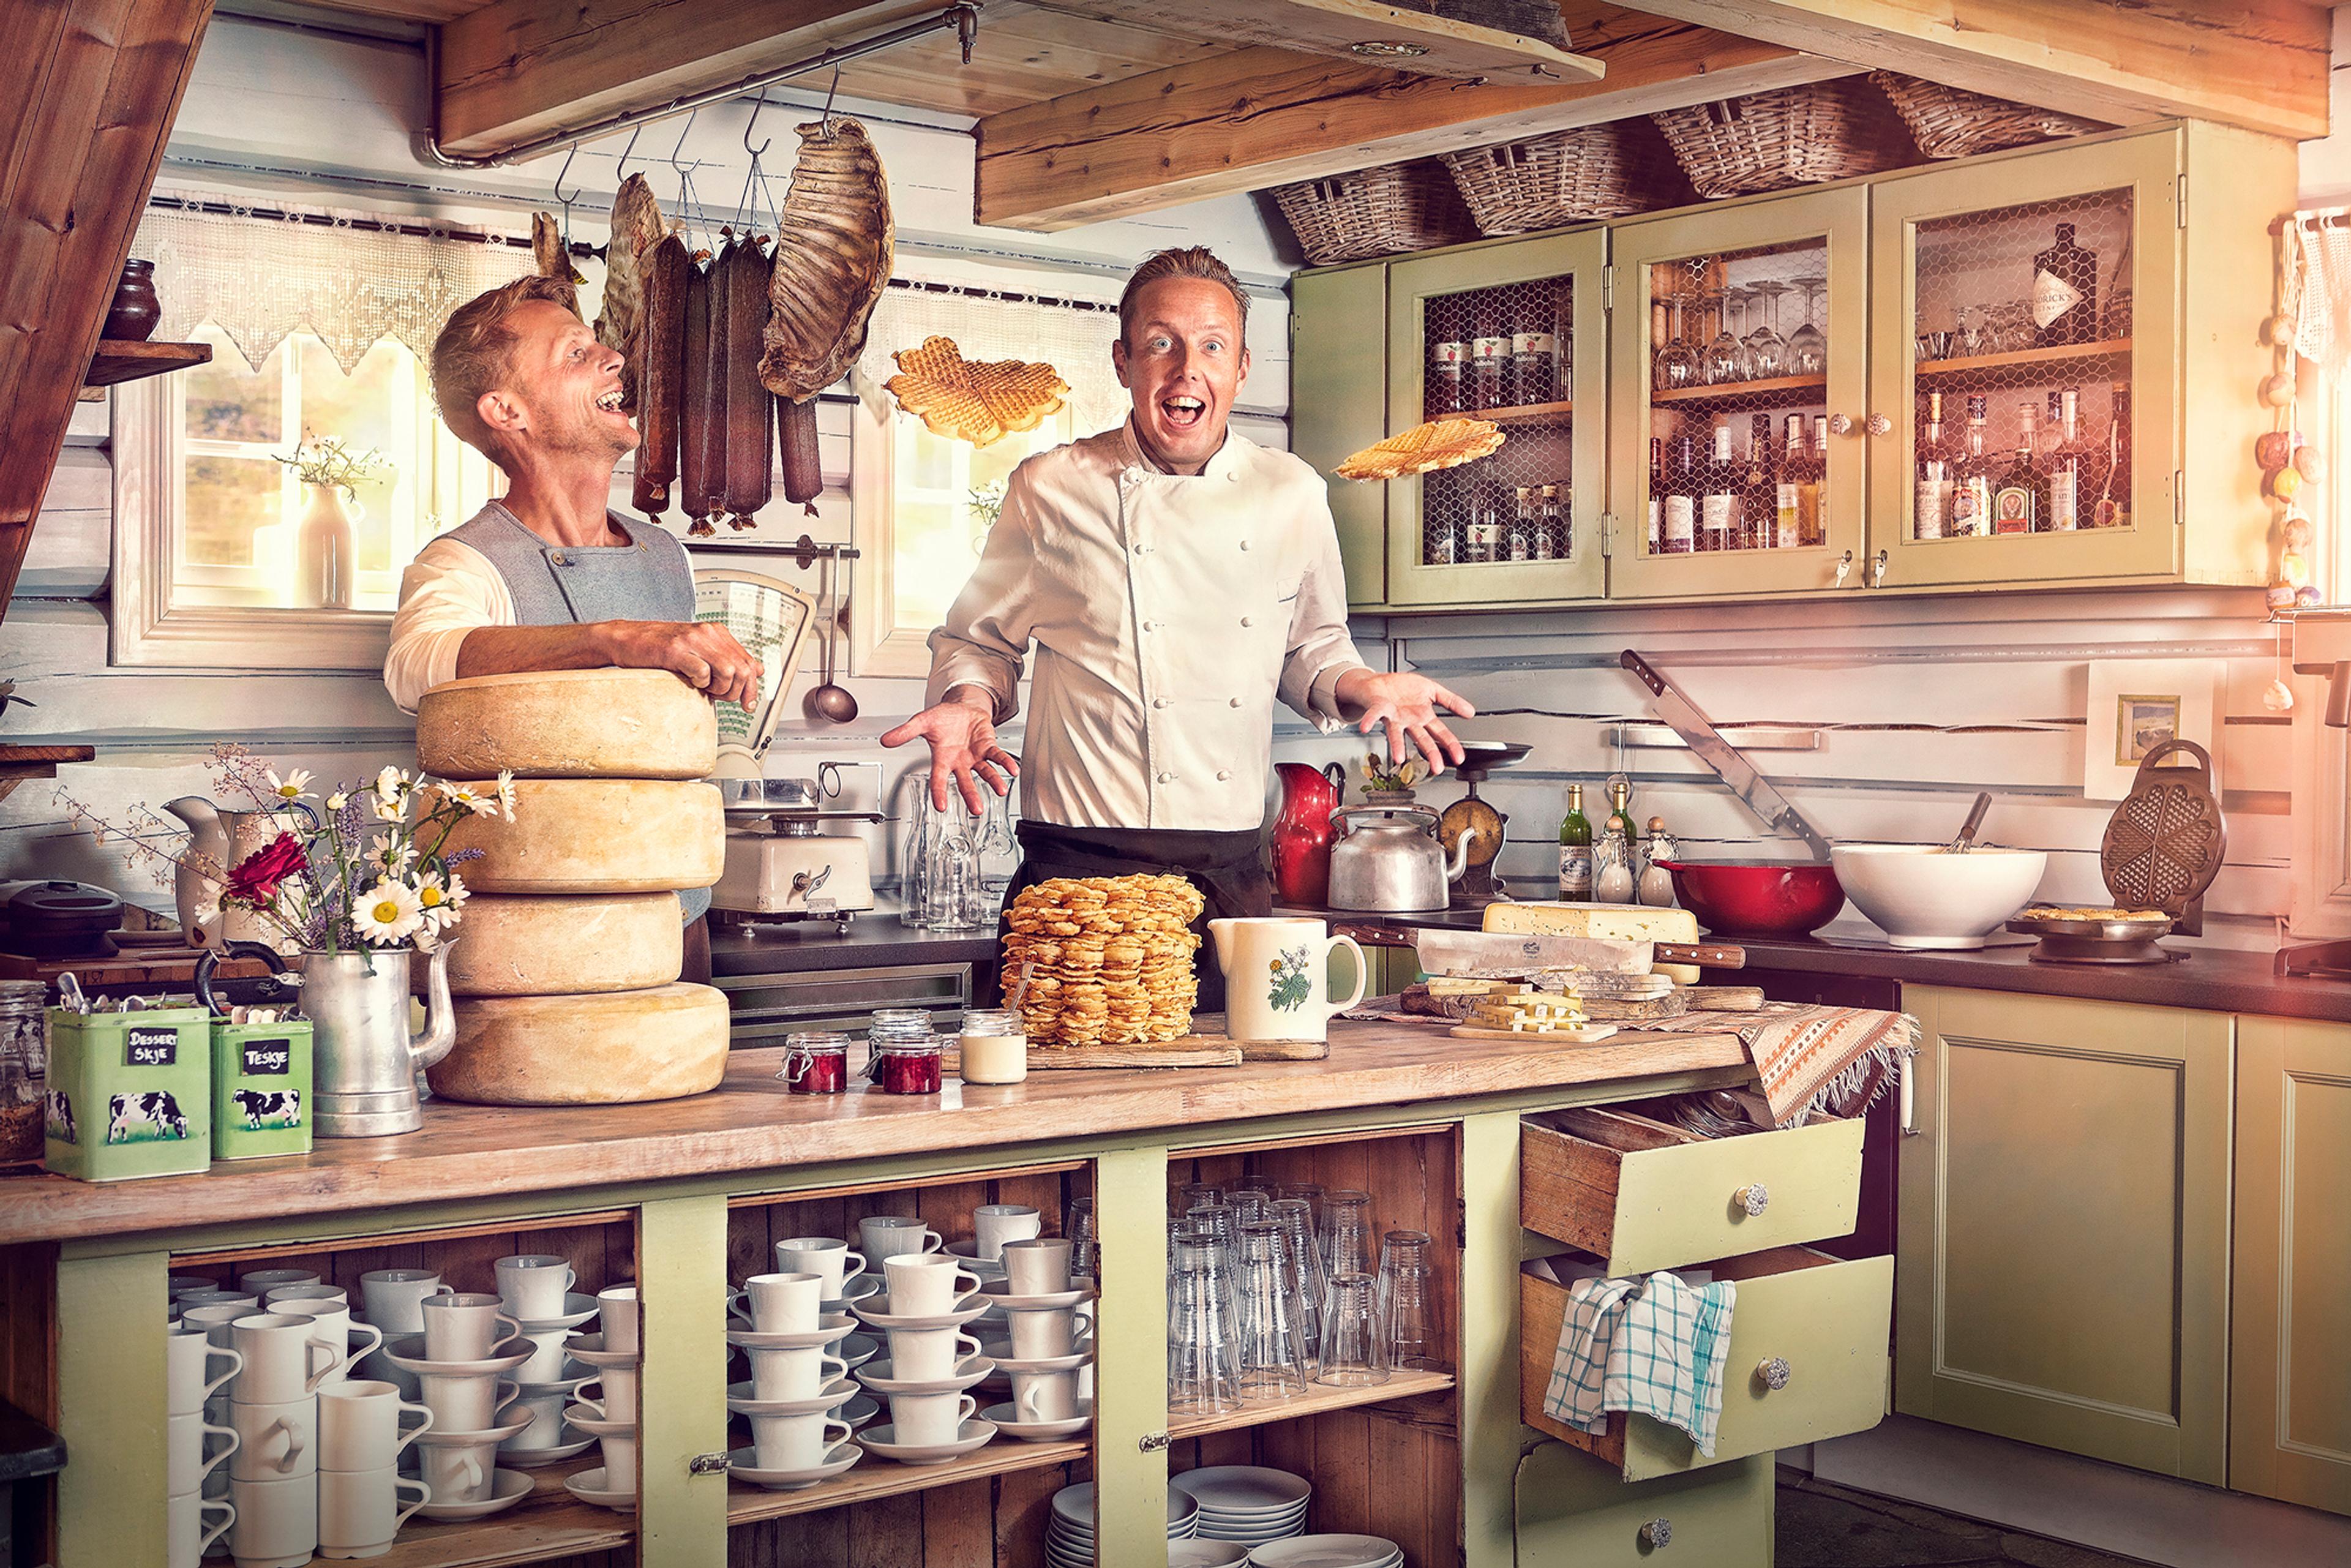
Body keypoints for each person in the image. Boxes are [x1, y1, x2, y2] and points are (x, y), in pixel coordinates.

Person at [882, 247, 1472, 1009]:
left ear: (1242, 366)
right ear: (1124, 361)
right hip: (1078, 870)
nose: (1187, 367)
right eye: (1162, 342)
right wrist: (968, 700)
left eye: (1212, 345)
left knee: (1232, 1109)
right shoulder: (1051, 487)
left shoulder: (1289, 492)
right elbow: (979, 640)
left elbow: (1311, 650)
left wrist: (1364, 685)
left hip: (1231, 873)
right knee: (1068, 1102)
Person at [385, 274, 762, 984]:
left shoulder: (665, 553)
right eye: (575, 353)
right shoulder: (465, 561)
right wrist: (611, 639)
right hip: (537, 939)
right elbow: (416, 666)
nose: (614, 357)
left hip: (676, 915)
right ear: (507, 410)